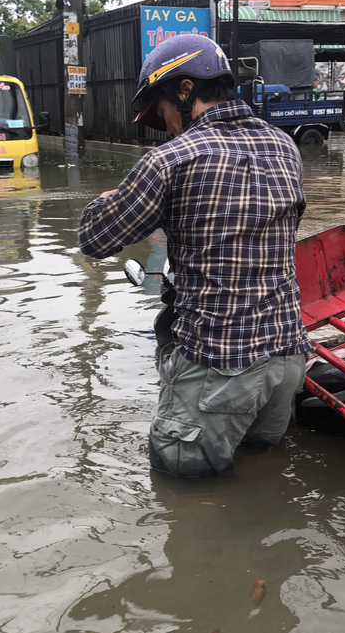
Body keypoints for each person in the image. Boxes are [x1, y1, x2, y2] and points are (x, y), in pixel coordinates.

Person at [78, 33, 309, 477]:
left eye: (161, 111)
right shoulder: (285, 146)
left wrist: (111, 197)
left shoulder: (170, 160)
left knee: (183, 495)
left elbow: (96, 240)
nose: (165, 126)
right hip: (286, 361)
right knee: (260, 477)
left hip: (218, 368)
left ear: (185, 90)